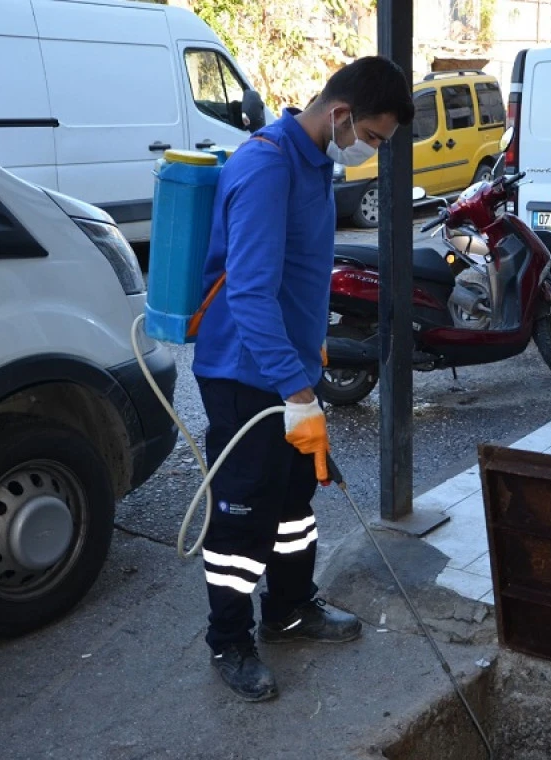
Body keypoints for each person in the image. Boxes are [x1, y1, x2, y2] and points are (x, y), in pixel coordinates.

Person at [191, 56, 414, 700]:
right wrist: (294, 391)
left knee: (292, 505)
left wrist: (306, 372)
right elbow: (250, 294)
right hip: (247, 377)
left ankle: (289, 609)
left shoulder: (313, 163)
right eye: (370, 137)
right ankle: (229, 640)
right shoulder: (267, 168)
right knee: (242, 517)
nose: (371, 151)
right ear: (340, 114)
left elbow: (299, 278)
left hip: (289, 371)